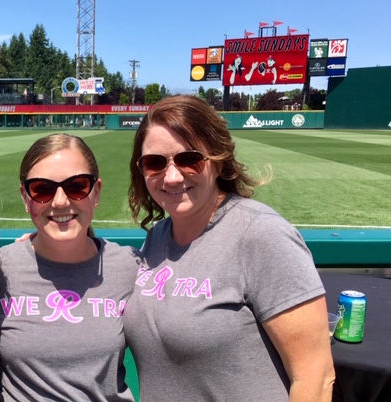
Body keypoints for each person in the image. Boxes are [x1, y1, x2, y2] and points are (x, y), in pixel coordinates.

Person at [124, 95, 335, 402]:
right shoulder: (157, 237)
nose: (171, 176)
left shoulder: (261, 233)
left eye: (189, 159)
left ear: (218, 157)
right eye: (155, 163)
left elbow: (316, 376)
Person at [0, 133, 140, 401]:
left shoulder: (130, 267)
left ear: (96, 192)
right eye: (42, 189)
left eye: (77, 186)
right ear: (26, 198)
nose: (60, 201)